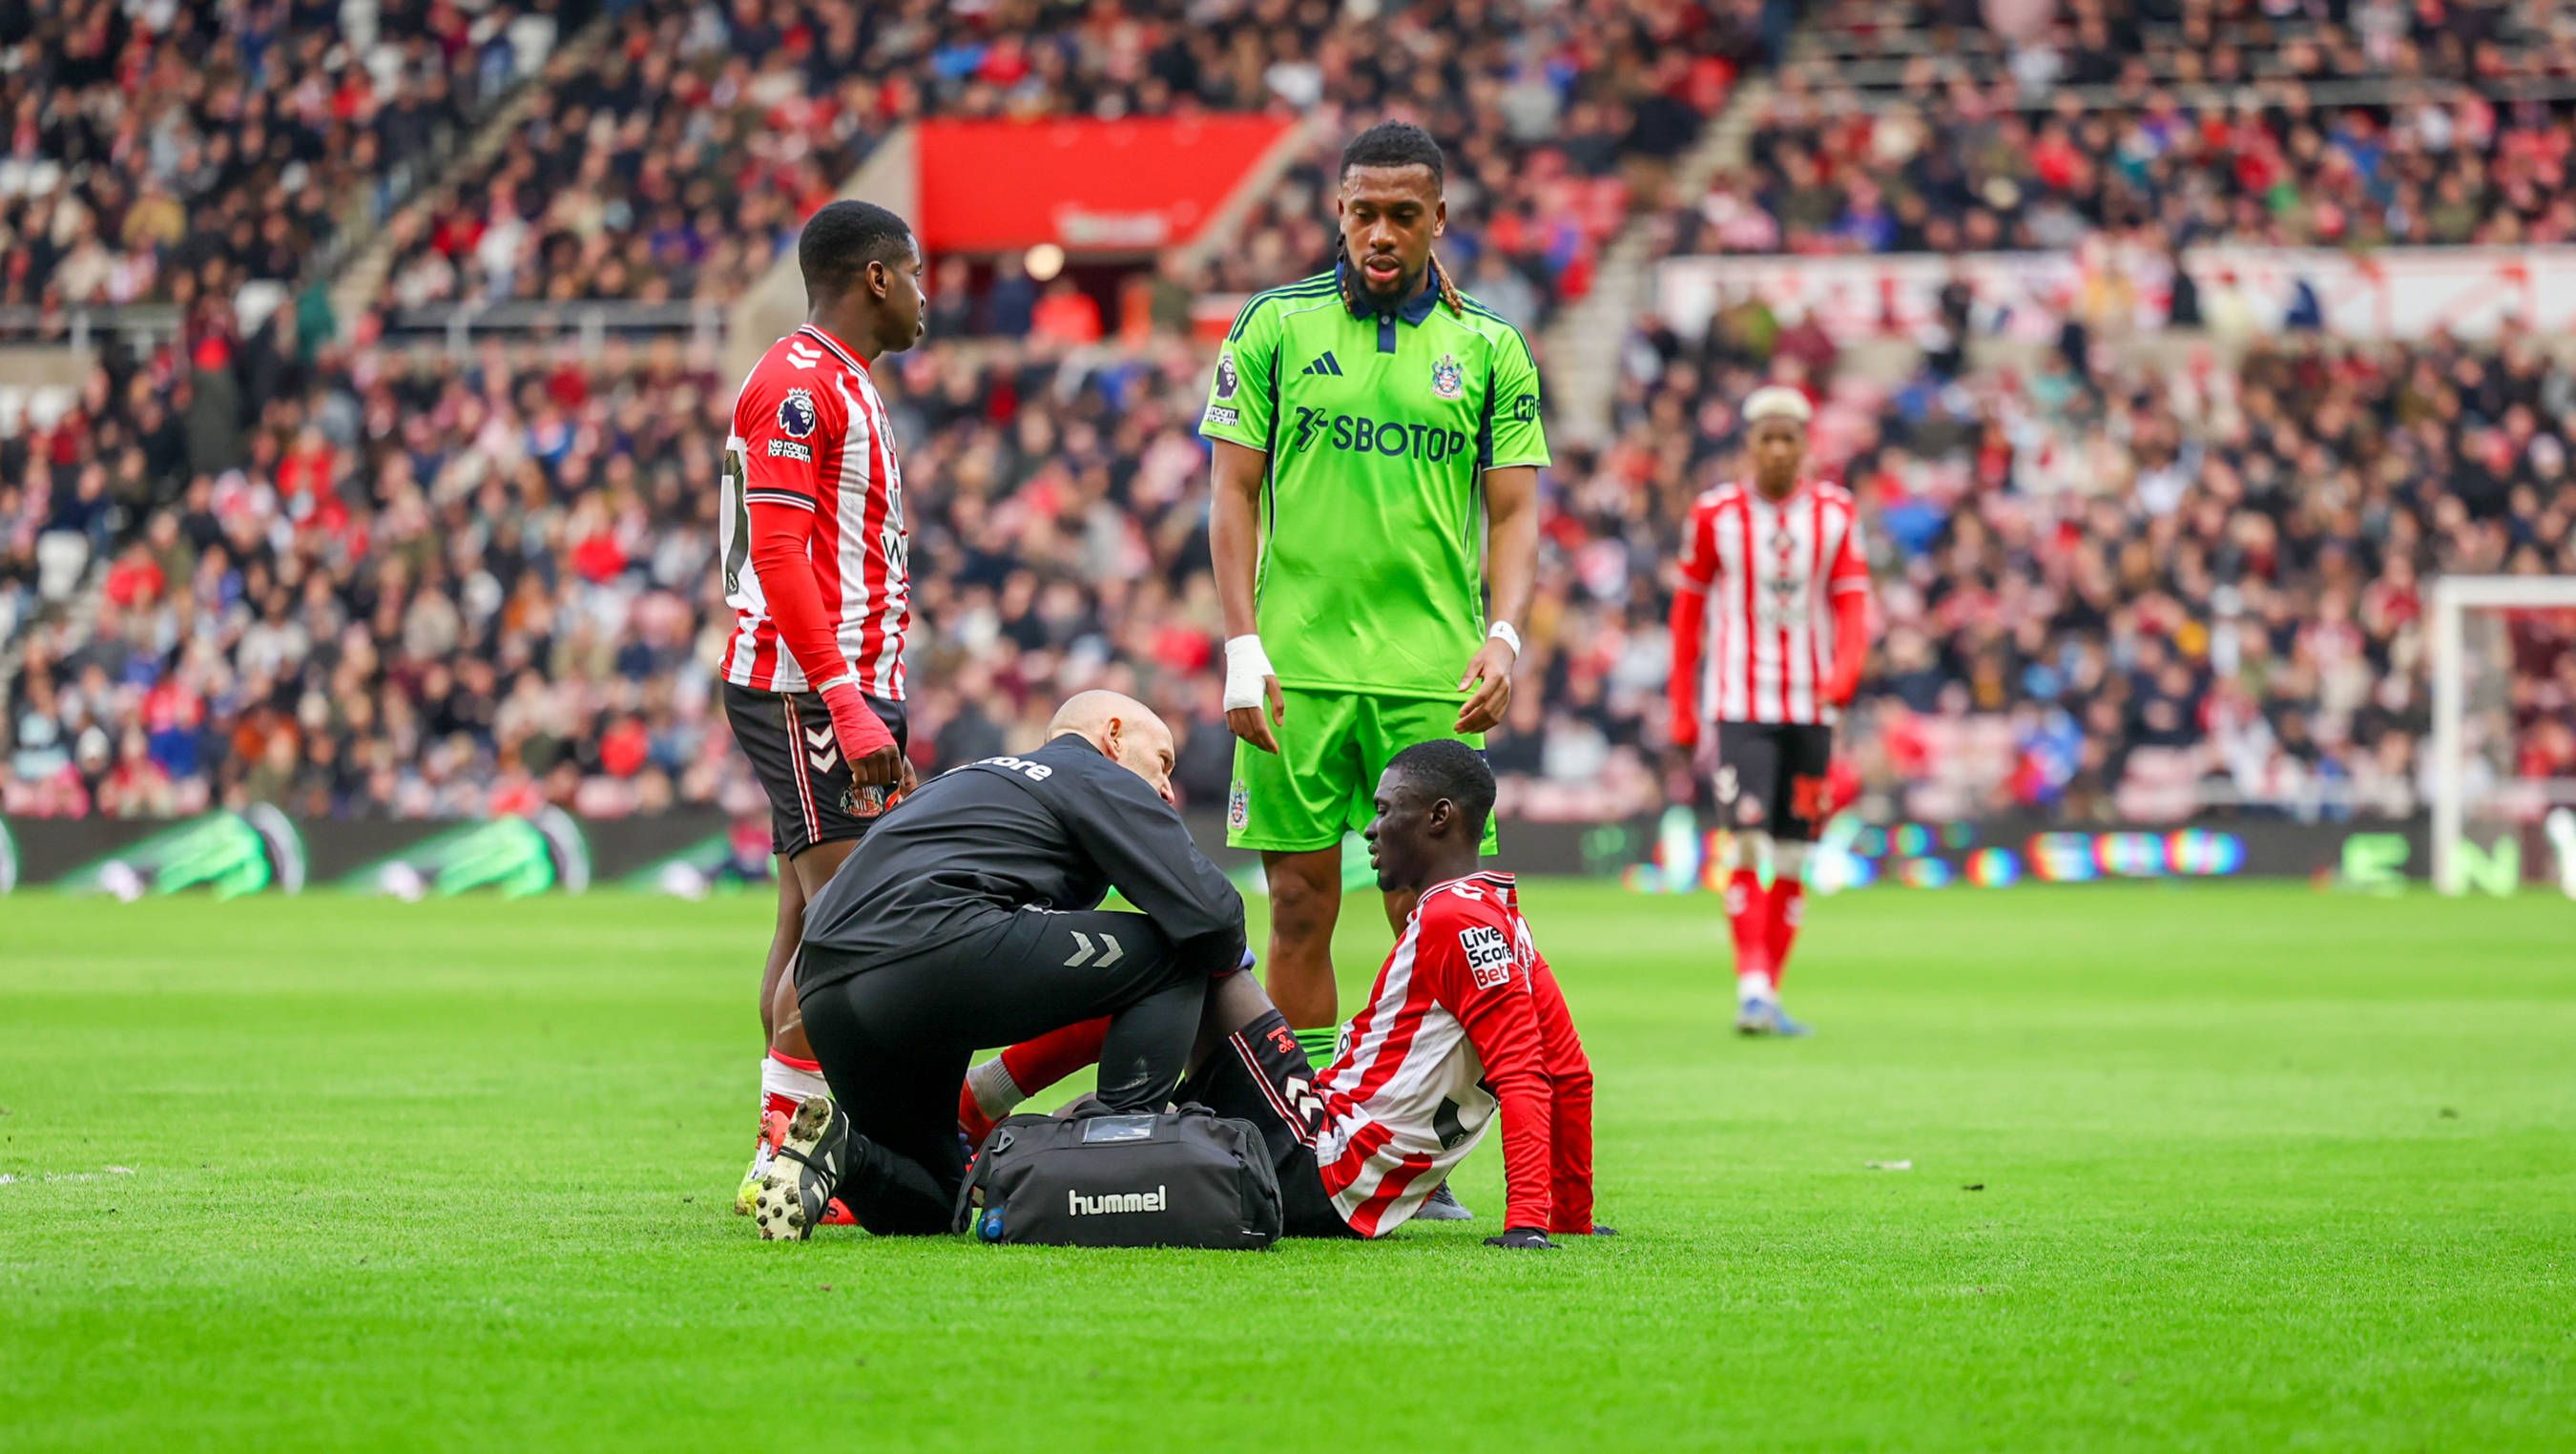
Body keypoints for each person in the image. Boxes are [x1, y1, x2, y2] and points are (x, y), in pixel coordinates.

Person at [1200, 120, 1547, 1083]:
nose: (1382, 233)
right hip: (1298, 672)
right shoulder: (1273, 325)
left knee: (1431, 919)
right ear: (1338, 214)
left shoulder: (1489, 347)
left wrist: (1505, 639)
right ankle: (1310, 1142)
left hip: (1430, 680)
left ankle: (1408, 1146)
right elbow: (1231, 493)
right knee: (1300, 910)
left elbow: (1515, 512)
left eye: (1403, 214)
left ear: (1440, 218)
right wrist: (1241, 648)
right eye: (1364, 214)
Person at [957, 741, 1602, 1247]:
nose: (1370, 831)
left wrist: (1527, 1224)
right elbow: (1569, 1072)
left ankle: (980, 1101)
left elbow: (1525, 1073)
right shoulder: (1500, 918)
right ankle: (1004, 1133)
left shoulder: (1451, 918)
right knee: (1143, 1089)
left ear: (1439, 819)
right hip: (1331, 1149)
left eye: (1384, 810)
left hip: (1325, 1160)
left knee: (1187, 951)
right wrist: (1569, 1214)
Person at [750, 692, 1247, 1240]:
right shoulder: (1090, 771)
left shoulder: (964, 779)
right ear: (1113, 735)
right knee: (1177, 951)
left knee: (935, 1205)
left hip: (824, 987)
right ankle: (1120, 1163)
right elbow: (1214, 919)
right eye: (1163, 761)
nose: (1168, 788)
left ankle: (840, 1151)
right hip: (932, 947)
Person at [720, 200, 929, 1217]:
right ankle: (793, 1157)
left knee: (811, 915)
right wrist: (847, 703)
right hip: (810, 685)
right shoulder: (800, 386)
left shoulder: (843, 381)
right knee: (854, 925)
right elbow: (777, 555)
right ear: (878, 279)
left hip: (835, 684)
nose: (927, 296)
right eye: (917, 274)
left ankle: (779, 1147)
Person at [1667, 386, 1874, 1035]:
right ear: (1749, 445)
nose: (1780, 450)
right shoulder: (1713, 514)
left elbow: (1852, 604)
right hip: (1741, 703)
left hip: (1811, 707)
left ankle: (1766, 993)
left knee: (1792, 855)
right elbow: (1687, 614)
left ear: (1807, 444)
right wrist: (1681, 702)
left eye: (1790, 437)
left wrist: (1844, 673)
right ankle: (1752, 987)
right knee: (1749, 839)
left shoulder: (1837, 512)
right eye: (1768, 438)